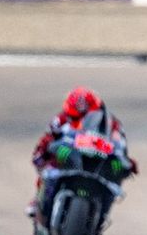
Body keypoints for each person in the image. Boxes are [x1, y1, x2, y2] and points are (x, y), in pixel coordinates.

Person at [27, 87, 137, 222]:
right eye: (74, 117)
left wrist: (125, 162)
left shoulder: (111, 123)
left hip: (98, 159)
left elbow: (120, 143)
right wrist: (41, 152)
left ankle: (101, 216)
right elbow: (48, 137)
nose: (78, 119)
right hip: (68, 154)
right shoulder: (61, 119)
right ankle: (39, 201)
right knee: (49, 169)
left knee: (116, 172)